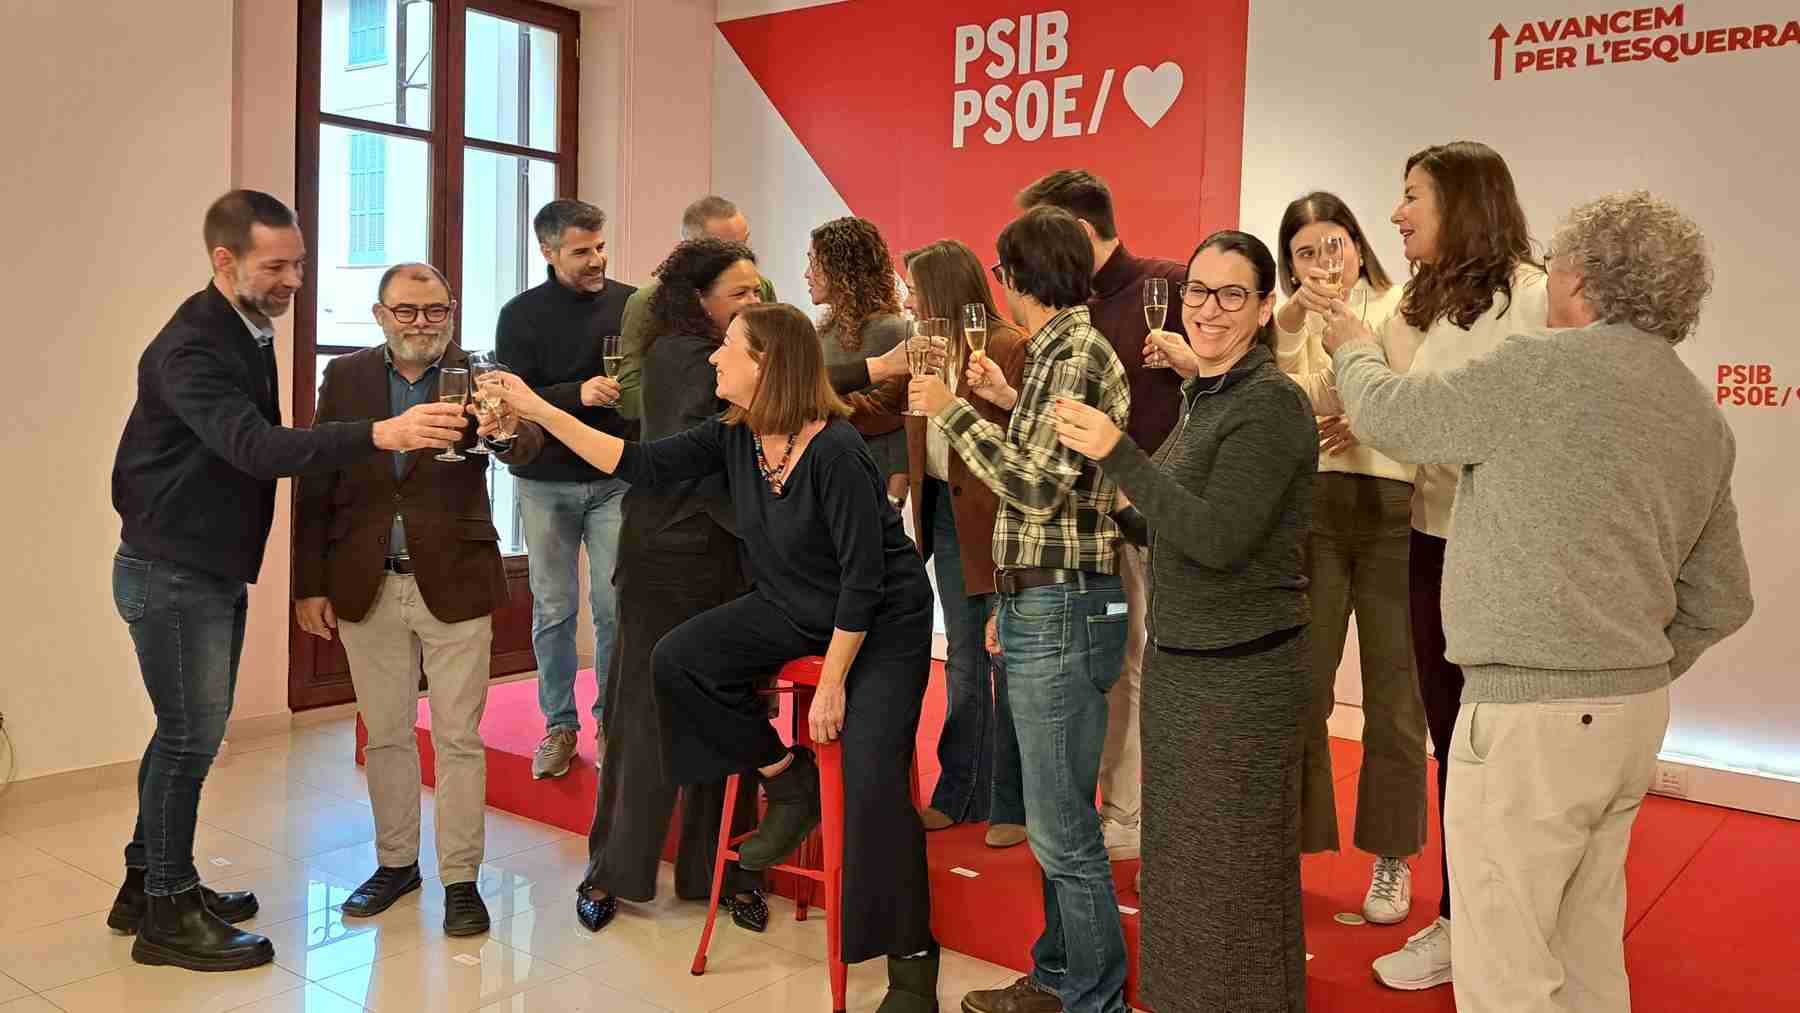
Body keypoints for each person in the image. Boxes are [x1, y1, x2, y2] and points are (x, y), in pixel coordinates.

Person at [1323, 190, 1752, 1013]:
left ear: (1583, 279)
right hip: (1634, 712)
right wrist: (1629, 658)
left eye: (1554, 267)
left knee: (1506, 967)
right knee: (1587, 950)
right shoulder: (1699, 411)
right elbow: (1721, 596)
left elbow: (1395, 418)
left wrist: (1353, 345)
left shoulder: (1537, 369)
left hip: (1527, 715)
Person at [490, 303, 941, 1011]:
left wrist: (834, 682)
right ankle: (785, 781)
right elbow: (633, 462)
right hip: (794, 601)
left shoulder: (836, 447)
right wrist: (536, 410)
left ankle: (912, 969)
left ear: (768, 366)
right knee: (678, 660)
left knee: (871, 782)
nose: (713, 360)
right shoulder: (737, 435)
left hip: (879, 621)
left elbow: (865, 578)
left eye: (729, 348)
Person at [108, 191, 468, 971]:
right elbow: (257, 447)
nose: (293, 279)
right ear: (224, 261)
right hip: (173, 571)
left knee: (181, 735)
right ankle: (166, 910)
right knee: (187, 739)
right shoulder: (193, 347)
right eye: (276, 265)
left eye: (299, 263)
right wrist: (382, 433)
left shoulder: (245, 327)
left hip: (204, 566)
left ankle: (149, 882)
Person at [1055, 230, 1317, 1013]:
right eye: (1198, 291)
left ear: (1266, 308)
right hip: (1188, 664)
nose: (1208, 308)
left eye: (1232, 294)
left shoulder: (1270, 404)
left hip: (1242, 677)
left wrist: (1120, 455)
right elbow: (1170, 524)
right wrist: (1110, 501)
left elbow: (1219, 538)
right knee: (1184, 883)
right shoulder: (1209, 398)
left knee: (1235, 888)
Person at [910, 206, 1132, 1013]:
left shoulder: (1071, 353)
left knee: (1063, 827)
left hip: (1064, 601)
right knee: (1055, 820)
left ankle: (1089, 994)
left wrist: (952, 410)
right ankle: (1060, 973)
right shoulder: (1058, 351)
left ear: (1020, 277)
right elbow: (1053, 478)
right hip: (1050, 593)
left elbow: (1035, 486)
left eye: (1003, 273)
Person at [291, 262, 542, 938]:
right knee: (388, 734)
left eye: (436, 310)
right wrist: (308, 582)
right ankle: (396, 863)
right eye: (407, 310)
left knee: (459, 737)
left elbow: (528, 445)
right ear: (380, 315)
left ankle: (461, 877)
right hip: (363, 579)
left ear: (452, 313)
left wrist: (508, 433)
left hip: (456, 576)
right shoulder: (345, 378)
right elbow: (317, 478)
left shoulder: (483, 373)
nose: (423, 323)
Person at [1351, 140, 1550, 991]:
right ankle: (1460, 915)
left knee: (1496, 750)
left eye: (1412, 197)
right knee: (1451, 741)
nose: (1396, 214)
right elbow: (1377, 404)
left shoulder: (1535, 299)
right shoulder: (1415, 302)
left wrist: (1377, 401)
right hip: (1429, 542)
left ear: (1463, 202)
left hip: (1504, 551)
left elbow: (1422, 421)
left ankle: (1500, 925)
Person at [574, 238, 769, 935]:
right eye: (740, 293)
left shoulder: (748, 355)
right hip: (664, 558)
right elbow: (722, 437)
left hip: (732, 561)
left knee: (731, 715)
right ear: (699, 299)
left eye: (757, 291)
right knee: (642, 717)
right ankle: (612, 870)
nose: (754, 301)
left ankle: (724, 870)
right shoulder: (678, 356)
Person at [1016, 169, 1186, 863]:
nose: (1026, 271)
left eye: (1042, 243)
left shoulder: (1171, 288)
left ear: (1080, 234)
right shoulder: (1064, 317)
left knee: (1152, 670)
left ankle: (1143, 814)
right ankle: (1120, 807)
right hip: (1092, 523)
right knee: (1116, 668)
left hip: (1162, 516)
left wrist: (1188, 358)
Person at [1272, 192, 1426, 923]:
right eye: (1305, 252)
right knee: (1303, 689)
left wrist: (1347, 406)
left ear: (1358, 248)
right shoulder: (1291, 323)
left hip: (1397, 513)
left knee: (1398, 701)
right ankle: (1286, 847)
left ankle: (1392, 856)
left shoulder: (1400, 304)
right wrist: (1302, 323)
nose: (1322, 262)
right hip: (1318, 515)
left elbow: (1404, 393)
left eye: (1332, 245)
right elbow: (1277, 394)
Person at [888, 240, 1031, 844]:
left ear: (943, 290)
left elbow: (1026, 442)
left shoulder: (1005, 347)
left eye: (917, 289)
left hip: (1000, 520)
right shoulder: (924, 351)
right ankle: (960, 790)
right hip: (944, 514)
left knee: (1008, 663)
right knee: (966, 661)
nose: (910, 299)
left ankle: (1011, 804)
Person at [495, 198, 638, 781]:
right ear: (549, 252)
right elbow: (510, 397)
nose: (596, 259)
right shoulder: (520, 314)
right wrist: (576, 395)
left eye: (600, 246)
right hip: (547, 481)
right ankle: (559, 725)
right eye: (582, 251)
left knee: (613, 607)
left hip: (615, 478)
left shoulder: (632, 305)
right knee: (554, 610)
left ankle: (610, 720)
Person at [615, 195, 777, 419]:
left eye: (744, 242)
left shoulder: (761, 287)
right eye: (726, 248)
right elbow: (629, 394)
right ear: (690, 250)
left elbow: (774, 361)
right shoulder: (646, 301)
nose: (741, 257)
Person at [806, 216, 912, 509]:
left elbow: (903, 420)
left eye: (814, 263)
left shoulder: (894, 331)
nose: (807, 274)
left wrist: (894, 495)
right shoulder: (823, 333)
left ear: (841, 269)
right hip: (822, 478)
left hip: (868, 483)